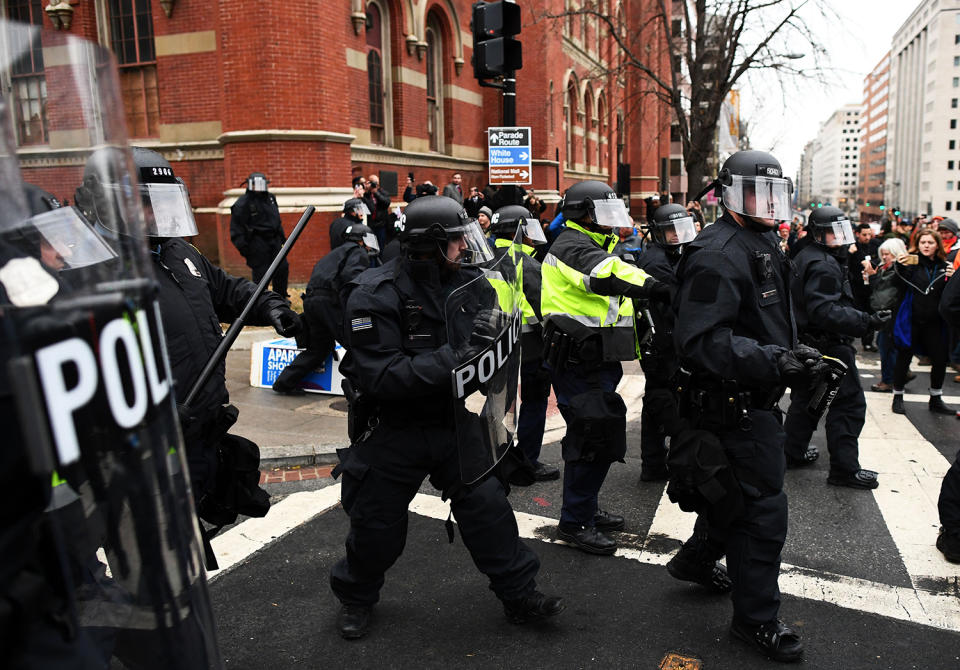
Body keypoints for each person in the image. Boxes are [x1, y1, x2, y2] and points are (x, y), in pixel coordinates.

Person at [329, 195, 563, 639]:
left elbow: (489, 342)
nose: (465, 249)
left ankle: (519, 594)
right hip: (396, 427)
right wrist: (453, 357)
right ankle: (356, 597)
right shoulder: (374, 294)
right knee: (376, 525)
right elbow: (383, 375)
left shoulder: (470, 282)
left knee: (488, 508)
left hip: (455, 422)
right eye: (457, 242)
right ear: (430, 245)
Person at [85, 147, 300, 509]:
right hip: (145, 453)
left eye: (161, 202)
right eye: (142, 203)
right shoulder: (90, 277)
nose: (154, 214)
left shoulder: (178, 252)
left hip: (201, 432)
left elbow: (229, 289)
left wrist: (271, 305)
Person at [672, 150, 818, 662]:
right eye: (757, 192)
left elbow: (762, 319)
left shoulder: (760, 239)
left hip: (748, 394)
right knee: (761, 514)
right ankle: (755, 621)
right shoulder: (719, 250)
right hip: (730, 402)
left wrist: (795, 354)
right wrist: (777, 361)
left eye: (775, 193)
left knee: (728, 497)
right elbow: (701, 341)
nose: (769, 203)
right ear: (731, 193)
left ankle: (693, 561)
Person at [540, 180, 669, 556]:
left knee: (595, 435)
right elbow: (607, 274)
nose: (614, 223)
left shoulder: (595, 242)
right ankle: (575, 522)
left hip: (598, 360)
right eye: (604, 214)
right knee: (590, 438)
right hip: (579, 362)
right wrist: (657, 287)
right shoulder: (572, 245)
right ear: (583, 214)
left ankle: (586, 508)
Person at [782, 207, 889, 489]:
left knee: (805, 402)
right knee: (848, 405)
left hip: (809, 343)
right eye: (833, 232)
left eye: (843, 231)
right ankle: (844, 469)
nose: (840, 238)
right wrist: (867, 321)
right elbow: (825, 310)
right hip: (830, 345)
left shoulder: (807, 256)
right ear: (818, 234)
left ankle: (790, 453)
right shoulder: (823, 263)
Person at [489, 204, 559, 481]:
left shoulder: (485, 258)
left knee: (496, 404)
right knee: (534, 401)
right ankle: (527, 461)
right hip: (529, 346)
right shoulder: (527, 264)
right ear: (521, 231)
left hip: (491, 345)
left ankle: (494, 457)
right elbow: (545, 310)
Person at [273, 224, 379, 395]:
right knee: (355, 341)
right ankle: (362, 385)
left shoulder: (334, 253)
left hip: (311, 301)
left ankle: (284, 382)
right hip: (329, 302)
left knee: (318, 348)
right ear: (362, 240)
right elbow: (352, 278)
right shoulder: (358, 252)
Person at [634, 203, 698, 482]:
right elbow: (677, 297)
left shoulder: (674, 255)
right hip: (661, 343)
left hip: (666, 339)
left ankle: (655, 462)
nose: (677, 235)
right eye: (670, 230)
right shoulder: (656, 261)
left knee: (658, 402)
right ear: (659, 233)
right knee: (663, 403)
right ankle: (658, 463)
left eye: (681, 229)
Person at [891, 229, 956, 415]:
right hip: (911, 318)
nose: (926, 246)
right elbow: (896, 285)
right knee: (904, 357)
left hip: (936, 321)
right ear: (917, 244)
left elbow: (951, 294)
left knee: (940, 359)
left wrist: (953, 278)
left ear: (937, 245)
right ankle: (898, 396)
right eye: (922, 242)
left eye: (930, 242)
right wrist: (900, 267)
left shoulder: (945, 266)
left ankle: (936, 398)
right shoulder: (910, 263)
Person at [230, 171, 289, 301]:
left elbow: (277, 220)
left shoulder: (271, 198)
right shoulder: (243, 203)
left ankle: (281, 298)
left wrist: (281, 239)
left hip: (274, 241)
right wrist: (246, 249)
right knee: (262, 274)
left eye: (261, 185)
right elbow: (236, 229)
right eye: (256, 185)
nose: (259, 188)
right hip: (257, 242)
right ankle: (260, 302)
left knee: (282, 268)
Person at [863, 238, 909, 392]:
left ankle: (889, 380)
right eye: (883, 254)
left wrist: (872, 275)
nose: (884, 257)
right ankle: (899, 374)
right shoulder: (886, 267)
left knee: (887, 347)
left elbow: (883, 288)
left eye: (887, 254)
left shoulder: (896, 269)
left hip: (892, 311)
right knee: (889, 347)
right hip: (887, 311)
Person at [848, 222, 881, 352]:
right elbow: (846, 264)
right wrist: (850, 254)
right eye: (864, 235)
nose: (867, 237)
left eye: (869, 234)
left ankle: (867, 342)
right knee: (854, 313)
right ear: (857, 234)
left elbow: (881, 259)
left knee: (870, 313)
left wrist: (871, 264)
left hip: (871, 286)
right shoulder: (853, 247)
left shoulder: (875, 245)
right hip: (856, 286)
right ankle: (850, 339)